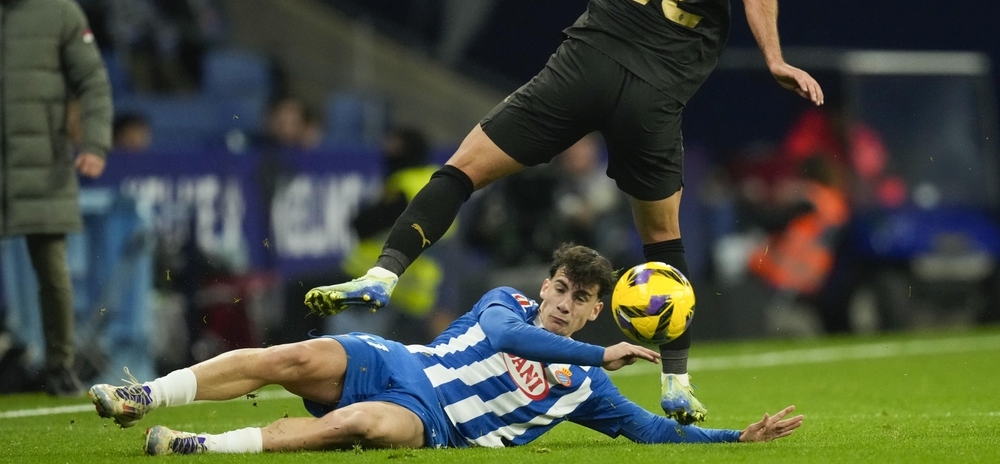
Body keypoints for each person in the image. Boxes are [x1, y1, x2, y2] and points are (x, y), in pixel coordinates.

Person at [305, 0, 824, 425]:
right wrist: (774, 57)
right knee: (663, 238)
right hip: (653, 96)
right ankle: (677, 383)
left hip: (586, 66)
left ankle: (382, 277)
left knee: (462, 170)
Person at [89, 244, 802, 454]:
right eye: (557, 285)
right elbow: (503, 338)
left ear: (597, 308)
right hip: (399, 361)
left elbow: (651, 431)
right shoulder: (506, 304)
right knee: (290, 357)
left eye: (577, 298)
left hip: (431, 420)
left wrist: (738, 433)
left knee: (365, 426)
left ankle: (194, 446)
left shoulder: (587, 393)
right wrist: (600, 354)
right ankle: (141, 394)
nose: (558, 300)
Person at [0, 0, 113, 396]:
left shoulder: (60, 12)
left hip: (43, 161)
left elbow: (93, 83)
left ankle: (60, 367)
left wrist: (95, 144)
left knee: (52, 273)